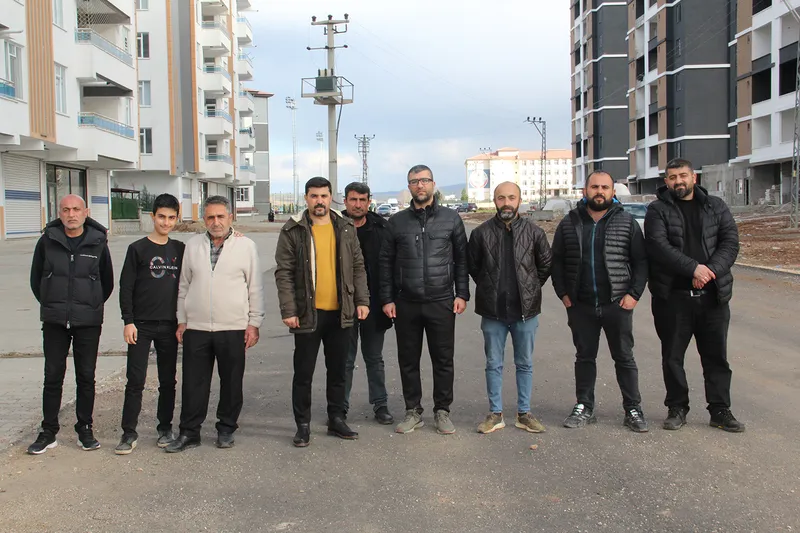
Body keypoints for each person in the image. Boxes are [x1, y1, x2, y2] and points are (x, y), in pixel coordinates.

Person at [644, 158, 744, 432]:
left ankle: (720, 410)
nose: (678, 181)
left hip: (713, 297)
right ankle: (677, 408)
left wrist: (709, 272)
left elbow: (730, 243)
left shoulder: (716, 207)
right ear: (666, 181)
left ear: (693, 177)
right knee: (673, 357)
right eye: (673, 177)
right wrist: (693, 269)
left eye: (683, 175)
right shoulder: (657, 210)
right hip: (673, 298)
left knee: (716, 357)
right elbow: (658, 246)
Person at [275, 177, 370, 447]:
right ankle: (303, 425)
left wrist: (362, 300)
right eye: (314, 196)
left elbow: (358, 267)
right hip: (308, 313)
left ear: (331, 198)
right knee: (303, 373)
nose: (319, 201)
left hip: (341, 313)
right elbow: (284, 272)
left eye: (324, 196)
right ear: (306, 198)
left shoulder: (345, 227)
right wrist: (289, 309)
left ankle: (336, 419)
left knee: (338, 370)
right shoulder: (293, 229)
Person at [551, 171, 649, 432]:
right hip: (581, 305)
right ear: (585, 190)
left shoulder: (626, 222)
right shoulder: (570, 222)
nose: (599, 191)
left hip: (617, 303)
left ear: (612, 192)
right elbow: (556, 261)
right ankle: (584, 406)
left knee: (624, 357)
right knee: (584, 357)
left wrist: (634, 294)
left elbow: (641, 262)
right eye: (594, 186)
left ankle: (633, 408)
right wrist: (563, 294)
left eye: (605, 187)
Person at [166, 195, 265, 452]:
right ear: (204, 219)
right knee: (193, 383)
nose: (216, 222)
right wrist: (182, 320)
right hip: (197, 328)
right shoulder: (193, 245)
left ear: (230, 217)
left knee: (231, 382)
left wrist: (254, 323)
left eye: (221, 216)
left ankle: (226, 429)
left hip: (233, 327)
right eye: (210, 217)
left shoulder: (246, 246)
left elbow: (255, 287)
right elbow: (184, 286)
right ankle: (189, 432)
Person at [379, 165, 469, 435]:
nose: (420, 185)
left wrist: (462, 294)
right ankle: (413, 411)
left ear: (433, 184)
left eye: (424, 180)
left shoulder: (451, 219)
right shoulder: (396, 222)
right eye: (414, 181)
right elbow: (385, 263)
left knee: (443, 359)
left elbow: (462, 259)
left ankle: (442, 411)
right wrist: (387, 299)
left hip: (441, 301)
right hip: (406, 302)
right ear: (409, 187)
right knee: (408, 360)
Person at [27, 195, 114, 454]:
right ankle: (48, 431)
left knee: (86, 376)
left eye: (76, 209)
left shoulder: (98, 242)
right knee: (53, 375)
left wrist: (90, 304)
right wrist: (53, 304)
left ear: (86, 212)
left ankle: (84, 428)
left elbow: (107, 282)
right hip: (54, 320)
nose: (71, 214)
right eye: (66, 210)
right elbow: (36, 279)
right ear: (59, 213)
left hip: (88, 321)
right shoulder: (47, 241)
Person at [468, 182, 552, 434]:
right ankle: (495, 414)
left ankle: (524, 413)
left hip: (525, 312)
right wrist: (488, 288)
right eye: (501, 197)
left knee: (524, 363)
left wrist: (529, 288)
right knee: (493, 363)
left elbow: (545, 265)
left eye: (511, 198)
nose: (507, 203)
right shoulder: (480, 233)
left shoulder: (534, 232)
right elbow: (473, 267)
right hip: (492, 311)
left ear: (519, 200)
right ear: (494, 200)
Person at [115, 194, 184, 455]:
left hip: (169, 326)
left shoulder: (180, 249)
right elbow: (126, 287)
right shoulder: (137, 249)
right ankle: (128, 433)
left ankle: (165, 428)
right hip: (140, 326)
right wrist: (128, 321)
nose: (166, 222)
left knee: (168, 381)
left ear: (176, 219)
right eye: (161, 217)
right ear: (153, 216)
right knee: (135, 380)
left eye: (171, 218)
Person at [341, 182, 394, 425]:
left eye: (362, 200)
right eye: (353, 199)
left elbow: (390, 266)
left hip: (374, 304)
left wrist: (388, 299)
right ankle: (340, 407)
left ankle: (380, 405)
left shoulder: (382, 228)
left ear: (369, 202)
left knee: (374, 357)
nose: (358, 204)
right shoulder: (335, 227)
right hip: (344, 305)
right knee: (345, 360)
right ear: (345, 201)